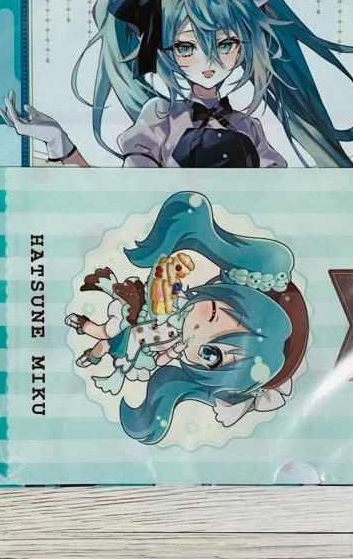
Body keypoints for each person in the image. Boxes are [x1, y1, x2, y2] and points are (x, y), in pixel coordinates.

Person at [0, 0, 353, 168]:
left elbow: (278, 199)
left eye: (225, 45)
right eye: (185, 47)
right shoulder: (158, 121)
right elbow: (120, 200)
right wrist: (58, 142)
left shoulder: (249, 128)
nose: (208, 63)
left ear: (245, 45)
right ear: (163, 48)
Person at [66, 190, 307, 444]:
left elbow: (161, 356)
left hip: (143, 345)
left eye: (210, 354)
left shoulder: (174, 342)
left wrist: (163, 352)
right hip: (140, 314)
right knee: (107, 330)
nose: (199, 331)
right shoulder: (178, 303)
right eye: (212, 313)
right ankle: (85, 328)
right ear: (218, 290)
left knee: (109, 336)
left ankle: (90, 344)